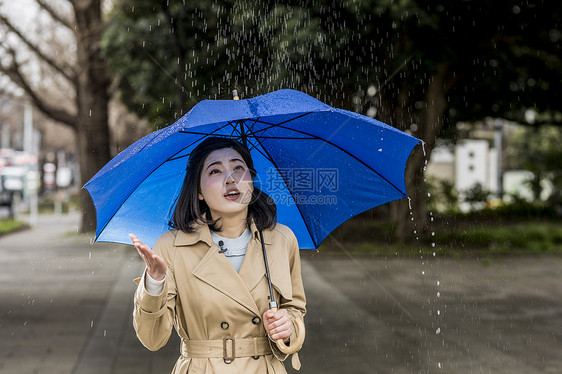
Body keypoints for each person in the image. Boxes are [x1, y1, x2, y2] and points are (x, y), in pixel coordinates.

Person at [129, 137, 306, 374]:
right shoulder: (171, 247)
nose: (231, 179)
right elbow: (152, 339)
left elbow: (295, 309)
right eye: (215, 171)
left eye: (238, 168)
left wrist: (288, 327)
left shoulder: (282, 240)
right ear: (199, 191)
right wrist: (154, 282)